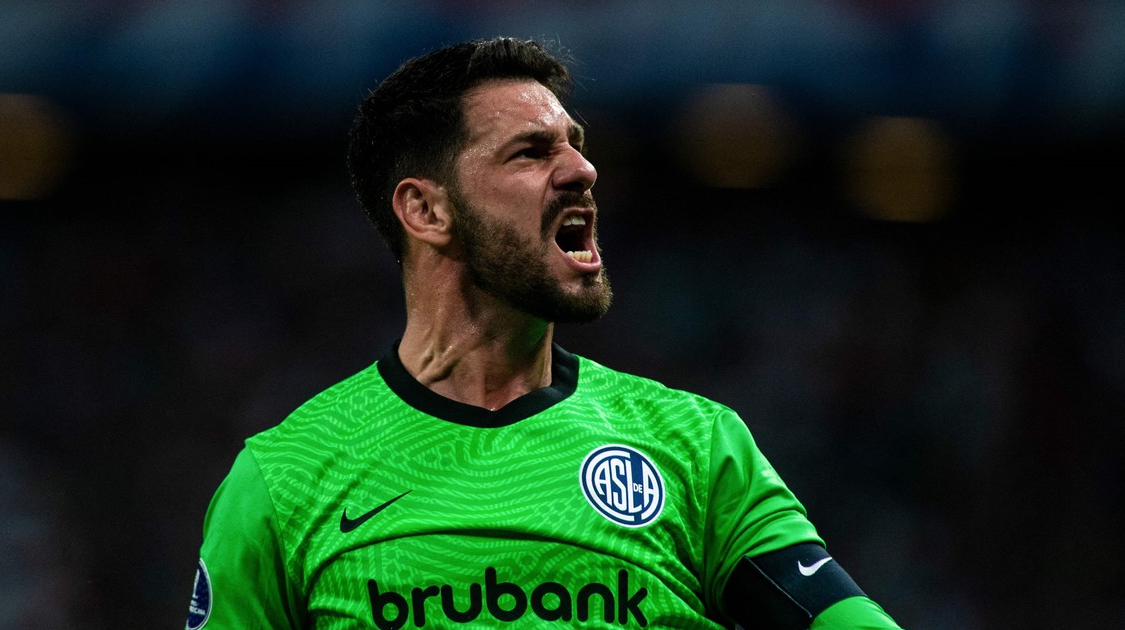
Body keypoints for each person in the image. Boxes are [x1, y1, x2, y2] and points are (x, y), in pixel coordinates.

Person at [186, 37, 904, 629]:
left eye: (576, 145)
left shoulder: (695, 445)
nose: (583, 169)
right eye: (530, 152)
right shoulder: (283, 481)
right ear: (426, 211)